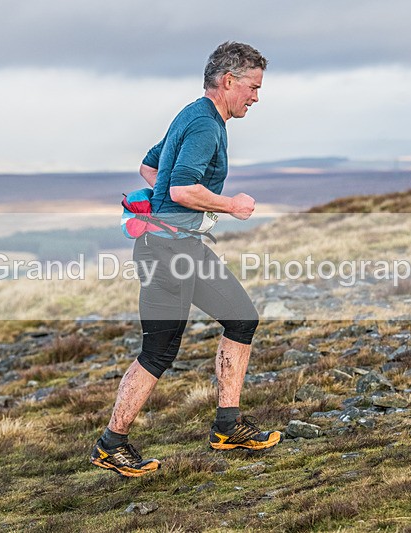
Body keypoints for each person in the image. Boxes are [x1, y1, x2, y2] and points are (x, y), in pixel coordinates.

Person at [90, 41, 281, 477]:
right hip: (166, 252)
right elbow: (179, 189)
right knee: (158, 352)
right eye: (252, 87)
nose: (256, 97)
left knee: (241, 319)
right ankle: (110, 445)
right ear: (228, 81)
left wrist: (181, 212)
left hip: (184, 247)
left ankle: (227, 427)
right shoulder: (204, 126)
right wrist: (228, 204)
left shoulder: (196, 114)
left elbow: (148, 167)